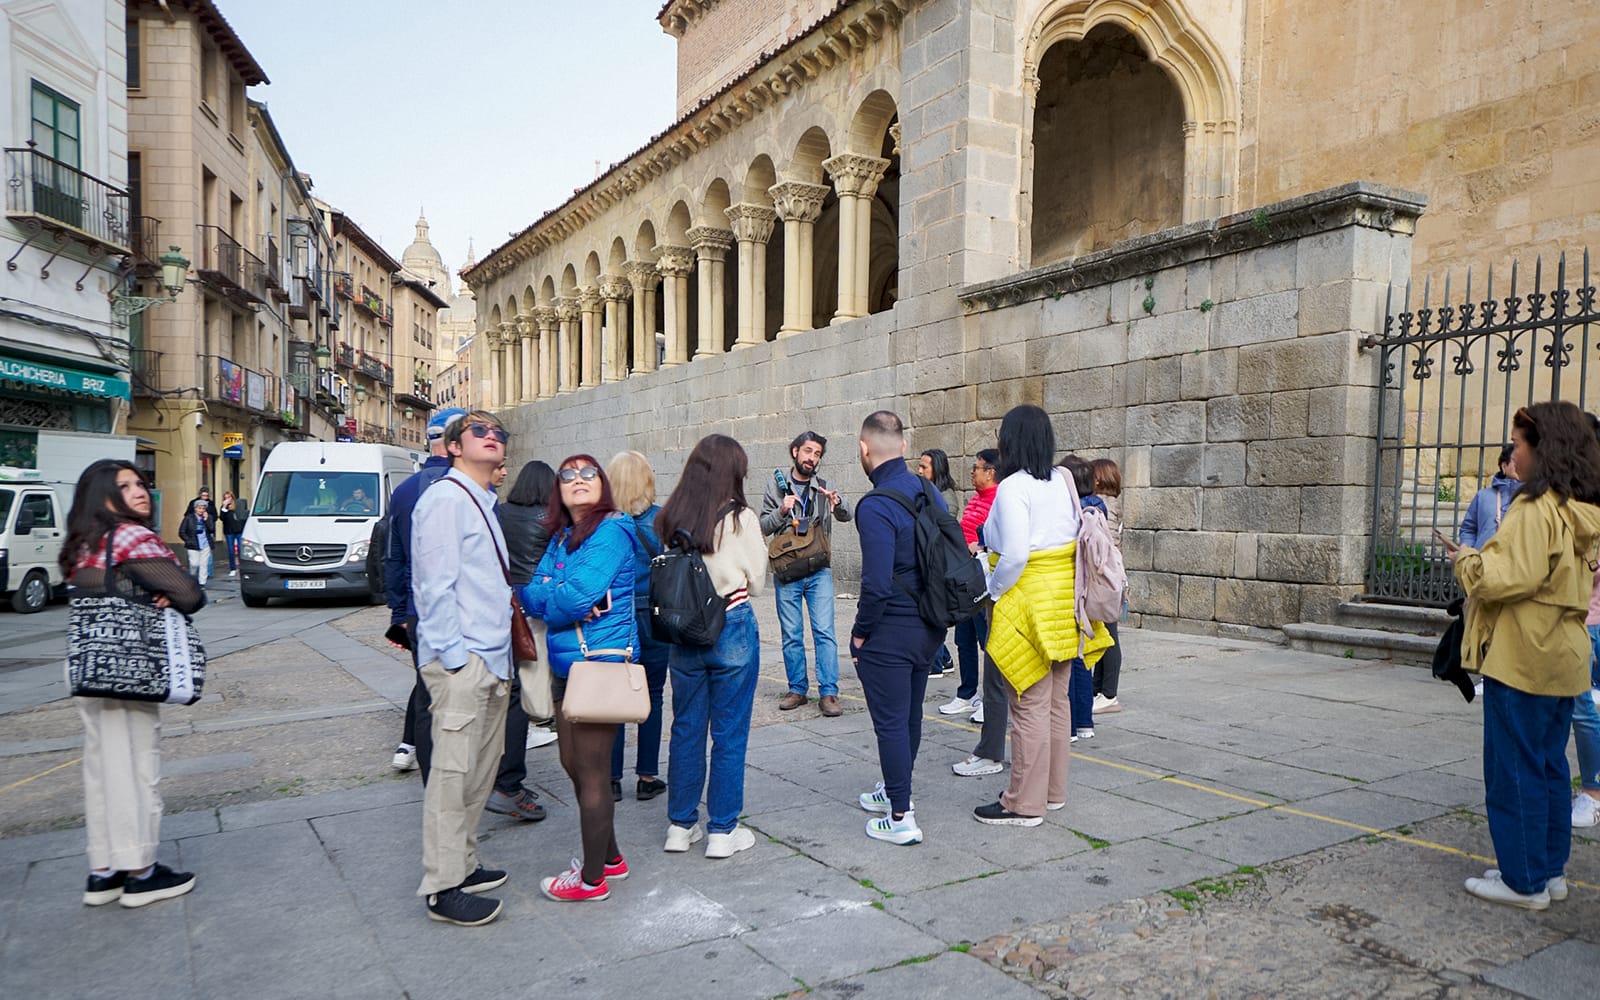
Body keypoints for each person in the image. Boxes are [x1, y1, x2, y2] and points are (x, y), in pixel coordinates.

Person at [1446, 401, 1600, 909]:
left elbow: (1502, 578)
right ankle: (1546, 870)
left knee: (1514, 770)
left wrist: (1466, 559)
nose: (1513, 450)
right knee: (1550, 768)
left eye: (1519, 441)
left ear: (1543, 448)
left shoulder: (1536, 510)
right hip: (1563, 654)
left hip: (1524, 655)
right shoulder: (1580, 510)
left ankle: (1524, 880)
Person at [64, 459, 205, 908]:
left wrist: (152, 588)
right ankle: (141, 871)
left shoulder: (85, 543)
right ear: (102, 497)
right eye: (124, 486)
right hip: (129, 668)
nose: (139, 491)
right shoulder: (131, 536)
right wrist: (166, 590)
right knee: (135, 765)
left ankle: (103, 871)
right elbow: (189, 594)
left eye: (139, 483)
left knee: (102, 770)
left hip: (90, 667)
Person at [974, 405, 1112, 827]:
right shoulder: (1063, 479)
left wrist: (993, 588)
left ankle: (1023, 802)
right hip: (1064, 603)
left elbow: (1014, 553)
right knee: (1056, 702)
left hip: (1028, 600)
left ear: (1011, 441)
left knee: (1028, 703)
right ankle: (1053, 793)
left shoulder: (1015, 487)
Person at [410, 410, 517, 926]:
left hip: (490, 660)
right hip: (465, 661)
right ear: (453, 446)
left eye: (499, 432)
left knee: (477, 773)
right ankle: (443, 886)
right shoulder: (445, 500)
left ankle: (465, 862)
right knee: (452, 777)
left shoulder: (481, 502)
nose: (493, 436)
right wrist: (456, 660)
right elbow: (433, 585)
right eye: (480, 430)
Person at [519, 456, 639, 901]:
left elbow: (574, 596)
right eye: (567, 475)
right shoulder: (564, 536)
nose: (578, 480)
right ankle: (611, 858)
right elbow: (531, 591)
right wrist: (559, 597)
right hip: (568, 666)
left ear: (603, 484)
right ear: (558, 490)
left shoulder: (611, 530)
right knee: (572, 765)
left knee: (590, 772)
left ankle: (592, 881)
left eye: (588, 472)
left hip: (600, 665)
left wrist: (559, 597)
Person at [657, 434, 768, 858]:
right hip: (730, 624)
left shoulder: (673, 516)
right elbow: (757, 582)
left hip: (683, 628)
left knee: (685, 728)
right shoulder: (741, 518)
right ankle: (722, 830)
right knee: (729, 733)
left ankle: (679, 826)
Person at [852, 413, 946, 845]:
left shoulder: (875, 505)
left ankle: (902, 815)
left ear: (864, 449)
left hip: (891, 629)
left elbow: (875, 582)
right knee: (908, 715)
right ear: (905, 447)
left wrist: (859, 633)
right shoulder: (928, 490)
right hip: (929, 624)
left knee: (890, 722)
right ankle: (895, 790)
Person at [385, 407, 465, 773]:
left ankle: (426, 767)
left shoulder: (403, 491)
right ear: (455, 443)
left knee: (426, 682)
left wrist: (399, 613)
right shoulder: (468, 487)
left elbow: (393, 558)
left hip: (418, 609)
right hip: (463, 609)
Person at [760, 430, 852, 716]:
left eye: (817, 454)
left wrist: (837, 504)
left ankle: (829, 693)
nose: (812, 458)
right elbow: (762, 526)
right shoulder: (776, 487)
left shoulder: (824, 486)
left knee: (824, 632)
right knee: (791, 633)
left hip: (818, 570)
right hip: (787, 571)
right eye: (808, 451)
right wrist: (781, 511)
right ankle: (797, 689)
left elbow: (847, 515)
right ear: (795, 452)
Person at [606, 450, 669, 803]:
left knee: (615, 698)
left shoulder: (603, 523)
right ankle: (647, 775)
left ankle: (611, 778)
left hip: (615, 619)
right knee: (653, 695)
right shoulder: (662, 520)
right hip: (653, 616)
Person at [499, 460, 559, 751]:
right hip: (539, 592)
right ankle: (538, 716)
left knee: (517, 654)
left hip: (509, 592)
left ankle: (518, 713)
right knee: (537, 655)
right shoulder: (553, 517)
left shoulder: (501, 512)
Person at [943, 449, 998, 722]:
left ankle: (992, 699)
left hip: (983, 579)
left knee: (986, 640)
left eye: (976, 468)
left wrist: (980, 547)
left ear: (991, 472)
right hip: (965, 574)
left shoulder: (999, 499)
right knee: (963, 638)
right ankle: (967, 693)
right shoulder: (976, 498)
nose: (972, 472)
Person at [1059, 455, 1108, 742]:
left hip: (1076, 588)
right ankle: (1084, 721)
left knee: (1074, 656)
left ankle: (1076, 722)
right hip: (1089, 588)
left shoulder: (1081, 511)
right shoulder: (1097, 508)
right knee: (1080, 656)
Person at [916, 448, 958, 678]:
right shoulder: (925, 492)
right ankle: (945, 658)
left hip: (939, 564)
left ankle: (935, 664)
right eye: (919, 466)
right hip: (927, 561)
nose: (919, 471)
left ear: (937, 470)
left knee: (932, 613)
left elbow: (938, 530)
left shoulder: (946, 498)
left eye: (924, 467)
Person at [1089, 458, 1125, 715]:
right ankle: (1098, 689)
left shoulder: (1104, 507)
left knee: (1109, 635)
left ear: (1099, 479)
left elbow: (1104, 544)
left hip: (1106, 579)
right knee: (1104, 633)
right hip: (1110, 578)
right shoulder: (1109, 505)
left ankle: (1109, 693)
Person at [1458, 444, 1520, 548]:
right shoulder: (1483, 496)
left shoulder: (1535, 496)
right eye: (1517, 462)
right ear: (1504, 466)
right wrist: (1466, 547)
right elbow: (1469, 529)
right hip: (1484, 561)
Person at [177, 494, 214, 586]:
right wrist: (188, 540)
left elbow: (212, 529)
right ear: (195, 508)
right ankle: (192, 579)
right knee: (194, 564)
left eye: (203, 508)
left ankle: (202, 583)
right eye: (199, 508)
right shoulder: (189, 518)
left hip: (205, 544)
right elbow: (182, 531)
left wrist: (206, 520)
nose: (201, 510)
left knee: (203, 564)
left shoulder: (208, 518)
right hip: (193, 545)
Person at [219, 490, 247, 578]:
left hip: (238, 530)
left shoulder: (238, 505)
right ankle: (233, 569)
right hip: (229, 531)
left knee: (240, 549)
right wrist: (224, 506)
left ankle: (241, 568)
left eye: (229, 497)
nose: (228, 499)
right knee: (231, 551)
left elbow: (243, 516)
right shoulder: (224, 508)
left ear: (232, 497)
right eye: (225, 498)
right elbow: (222, 518)